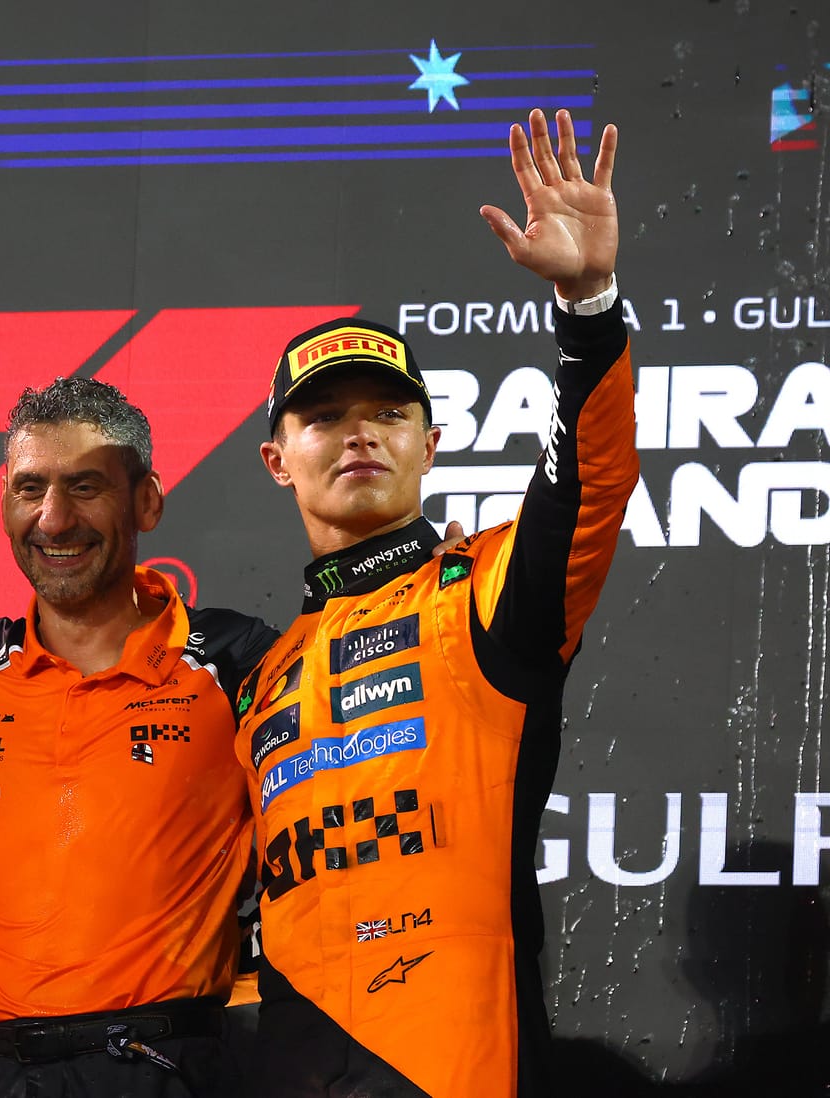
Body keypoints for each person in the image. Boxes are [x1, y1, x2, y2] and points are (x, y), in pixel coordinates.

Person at [235, 108, 639, 1097]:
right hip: (285, 1065)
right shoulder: (258, 674)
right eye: (323, 417)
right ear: (277, 460)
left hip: (453, 1064)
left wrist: (587, 307)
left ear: (431, 443)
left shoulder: (486, 592)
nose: (358, 434)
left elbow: (588, 488)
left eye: (388, 411)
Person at [0, 377, 278, 1098]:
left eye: (85, 487)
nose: (53, 520)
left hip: (156, 1064)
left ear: (147, 501)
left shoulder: (237, 661)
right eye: (30, 489)